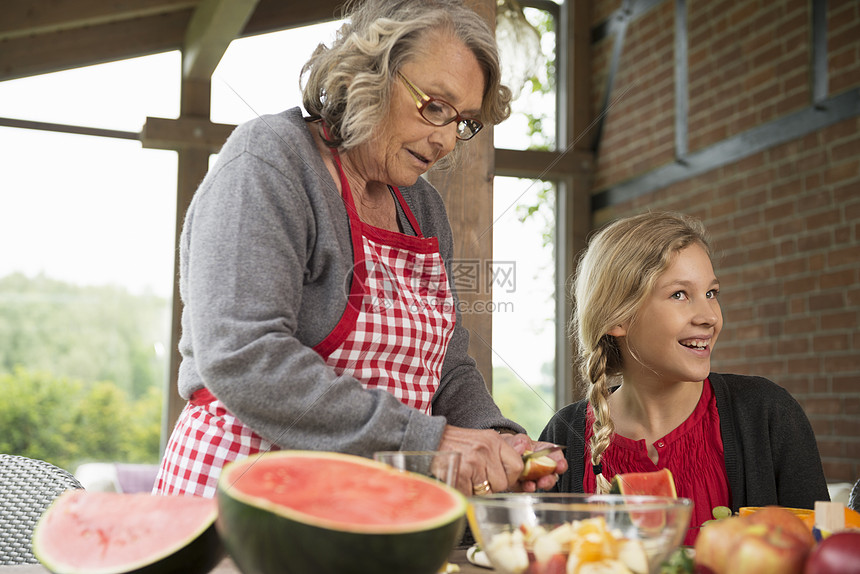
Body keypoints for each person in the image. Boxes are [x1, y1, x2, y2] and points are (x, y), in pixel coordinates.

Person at [152, 0, 566, 499]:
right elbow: (244, 355)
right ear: (370, 73)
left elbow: (448, 369)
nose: (446, 141)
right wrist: (428, 444)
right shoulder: (270, 160)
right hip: (241, 495)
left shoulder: (423, 208)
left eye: (462, 122)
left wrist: (495, 440)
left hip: (362, 506)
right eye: (435, 106)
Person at [540, 211, 829, 544]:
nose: (709, 317)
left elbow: (822, 553)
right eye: (679, 294)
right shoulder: (565, 434)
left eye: (711, 293)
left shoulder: (768, 413)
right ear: (617, 317)